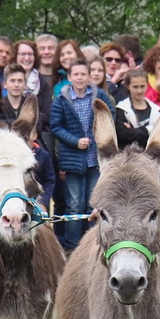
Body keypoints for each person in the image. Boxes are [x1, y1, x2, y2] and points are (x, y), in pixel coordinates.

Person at [49, 57, 103, 251]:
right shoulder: (62, 100)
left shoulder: (99, 96)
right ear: (70, 77)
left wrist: (98, 139)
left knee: (93, 205)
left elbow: (109, 116)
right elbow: (55, 126)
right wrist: (74, 141)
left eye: (83, 74)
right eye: (76, 74)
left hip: (94, 160)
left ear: (89, 76)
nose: (80, 78)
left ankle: (92, 245)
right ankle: (72, 247)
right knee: (74, 205)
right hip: (72, 159)